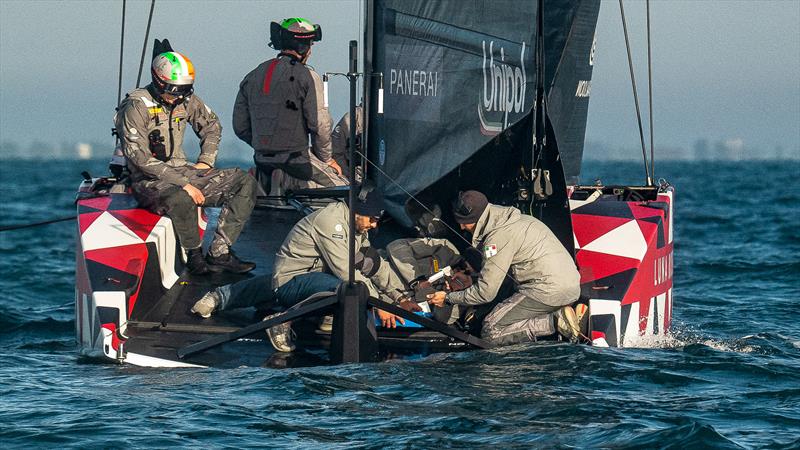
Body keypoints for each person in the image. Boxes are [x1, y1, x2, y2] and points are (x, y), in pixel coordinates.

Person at [191, 187, 415, 352]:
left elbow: (374, 266)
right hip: (294, 282)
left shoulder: (356, 226)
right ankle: (282, 320)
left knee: (276, 287)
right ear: (358, 210)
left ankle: (219, 297)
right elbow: (346, 272)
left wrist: (400, 297)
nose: (374, 225)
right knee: (346, 289)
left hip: (299, 278)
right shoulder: (332, 222)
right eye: (372, 219)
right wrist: (380, 305)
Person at [115, 40, 257, 275]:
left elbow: (211, 125)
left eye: (184, 90)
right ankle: (194, 255)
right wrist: (185, 184)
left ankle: (220, 252)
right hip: (148, 178)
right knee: (181, 197)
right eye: (175, 91)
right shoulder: (136, 106)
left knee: (244, 182)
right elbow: (138, 156)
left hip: (184, 170)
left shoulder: (186, 99)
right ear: (159, 82)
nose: (179, 97)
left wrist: (206, 161)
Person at [427, 190, 582, 345]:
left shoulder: (496, 239)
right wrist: (472, 279)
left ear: (476, 220)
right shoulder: (518, 220)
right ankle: (572, 316)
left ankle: (555, 321)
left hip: (546, 290)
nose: (461, 227)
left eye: (464, 222)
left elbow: (486, 293)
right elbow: (501, 274)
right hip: (571, 287)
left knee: (491, 330)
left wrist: (448, 298)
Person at [233, 17, 347, 197]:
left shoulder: (252, 75)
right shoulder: (308, 77)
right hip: (296, 161)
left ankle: (267, 180)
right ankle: (285, 180)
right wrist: (326, 159)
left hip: (262, 160)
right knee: (346, 191)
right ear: (306, 48)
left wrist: (264, 144)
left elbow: (240, 126)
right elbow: (321, 125)